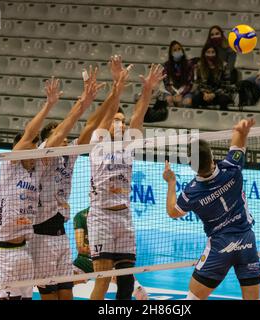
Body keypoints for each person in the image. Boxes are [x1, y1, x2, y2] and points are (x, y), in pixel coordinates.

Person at [88, 56, 165, 300]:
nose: (121, 124)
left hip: (124, 217)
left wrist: (147, 89)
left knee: (126, 284)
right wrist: (117, 84)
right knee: (101, 283)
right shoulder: (98, 142)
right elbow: (110, 111)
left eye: (123, 121)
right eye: (117, 121)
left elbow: (139, 114)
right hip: (101, 216)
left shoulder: (128, 144)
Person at [163, 118, 260, 300]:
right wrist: (242, 131)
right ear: (211, 155)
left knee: (193, 298)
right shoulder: (232, 167)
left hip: (220, 246)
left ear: (191, 165)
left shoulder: (192, 193)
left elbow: (173, 212)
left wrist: (171, 182)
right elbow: (237, 145)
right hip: (246, 240)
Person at [30, 69, 103, 300]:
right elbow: (64, 129)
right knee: (50, 296)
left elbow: (89, 128)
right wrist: (81, 101)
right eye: (57, 136)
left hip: (61, 236)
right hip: (41, 237)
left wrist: (104, 98)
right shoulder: (43, 156)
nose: (63, 138)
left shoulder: (67, 155)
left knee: (66, 294)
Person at [0, 77, 60, 300]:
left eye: (36, 147)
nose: (34, 149)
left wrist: (83, 104)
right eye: (30, 146)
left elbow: (57, 137)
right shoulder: (9, 165)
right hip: (1, 251)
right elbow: (29, 134)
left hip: (23, 251)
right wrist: (49, 105)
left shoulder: (37, 169)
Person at [73, 207, 149, 300]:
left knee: (140, 292)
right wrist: (101, 250)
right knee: (61, 283)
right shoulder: (81, 216)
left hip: (108, 261)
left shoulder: (113, 216)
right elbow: (81, 247)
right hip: (85, 261)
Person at [192, 43, 233, 110]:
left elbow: (226, 86)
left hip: (219, 93)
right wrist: (205, 93)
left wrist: (214, 94)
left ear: (216, 53)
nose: (210, 54)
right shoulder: (199, 66)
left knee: (224, 100)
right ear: (204, 53)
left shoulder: (224, 66)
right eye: (208, 52)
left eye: (213, 52)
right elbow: (197, 83)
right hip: (205, 93)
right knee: (195, 99)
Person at [162, 40, 195, 108]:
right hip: (171, 91)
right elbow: (166, 83)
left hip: (185, 91)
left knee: (187, 102)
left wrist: (181, 94)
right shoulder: (167, 65)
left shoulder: (189, 64)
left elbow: (189, 83)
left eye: (179, 49)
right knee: (168, 100)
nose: (177, 51)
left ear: (182, 50)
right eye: (174, 50)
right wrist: (175, 94)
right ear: (171, 53)